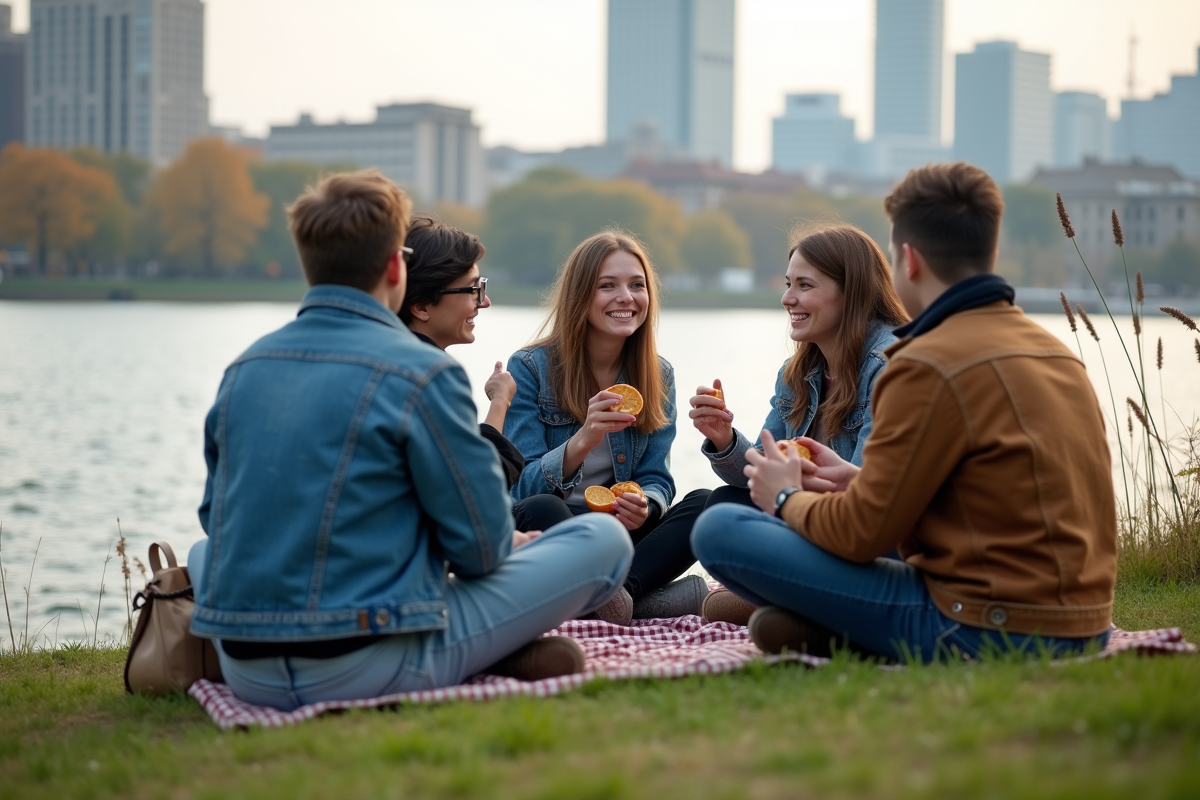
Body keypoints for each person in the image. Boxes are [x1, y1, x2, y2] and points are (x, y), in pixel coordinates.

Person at [187, 171, 633, 711]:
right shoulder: (423, 372)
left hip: (247, 669)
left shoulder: (244, 368)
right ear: (396, 267)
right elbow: (480, 552)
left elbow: (215, 521)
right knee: (604, 541)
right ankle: (493, 650)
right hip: (371, 661)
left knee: (203, 552)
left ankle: (495, 649)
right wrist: (502, 543)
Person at [691, 162, 1117, 662]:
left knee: (718, 530)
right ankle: (824, 627)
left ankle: (830, 619)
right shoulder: (1057, 353)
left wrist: (786, 497)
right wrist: (856, 480)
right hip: (1084, 625)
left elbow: (863, 534)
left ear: (909, 260)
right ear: (991, 253)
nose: (789, 298)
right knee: (737, 534)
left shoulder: (923, 362)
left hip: (984, 625)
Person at [689, 224, 908, 624]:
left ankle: (796, 600)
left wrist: (791, 492)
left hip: (868, 533)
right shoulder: (798, 373)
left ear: (852, 292)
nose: (787, 298)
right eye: (789, 284)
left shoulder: (889, 366)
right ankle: (803, 602)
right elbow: (758, 476)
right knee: (721, 504)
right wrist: (724, 439)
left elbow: (869, 496)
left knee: (730, 533)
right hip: (810, 521)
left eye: (804, 285)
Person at [504, 229, 712, 624]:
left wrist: (645, 504)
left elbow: (656, 477)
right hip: (552, 530)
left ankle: (618, 594)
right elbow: (520, 488)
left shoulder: (658, 374)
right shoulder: (530, 368)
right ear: (580, 295)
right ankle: (638, 599)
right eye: (607, 286)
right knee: (544, 506)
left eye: (637, 285)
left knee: (707, 504)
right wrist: (583, 440)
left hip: (617, 534)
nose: (626, 297)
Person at [398, 214, 585, 534]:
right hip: (428, 545)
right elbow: (482, 483)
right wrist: (500, 403)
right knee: (549, 512)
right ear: (421, 306)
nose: (484, 301)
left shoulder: (398, 360)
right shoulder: (428, 375)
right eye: (473, 289)